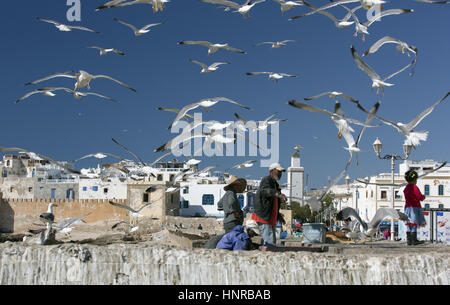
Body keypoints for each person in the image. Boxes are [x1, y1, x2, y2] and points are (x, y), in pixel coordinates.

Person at [251, 162, 287, 246]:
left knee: (272, 242)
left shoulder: (275, 185)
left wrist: (278, 216)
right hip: (264, 218)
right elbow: (266, 191)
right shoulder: (266, 180)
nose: (280, 174)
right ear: (272, 171)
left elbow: (273, 204)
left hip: (270, 219)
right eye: (279, 171)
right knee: (269, 243)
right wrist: (279, 194)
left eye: (281, 172)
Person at [403, 169, 426, 246]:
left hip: (407, 208)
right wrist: (423, 197)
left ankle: (409, 240)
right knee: (414, 223)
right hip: (414, 207)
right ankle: (414, 240)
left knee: (409, 224)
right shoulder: (414, 187)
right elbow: (419, 197)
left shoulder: (406, 188)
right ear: (414, 179)